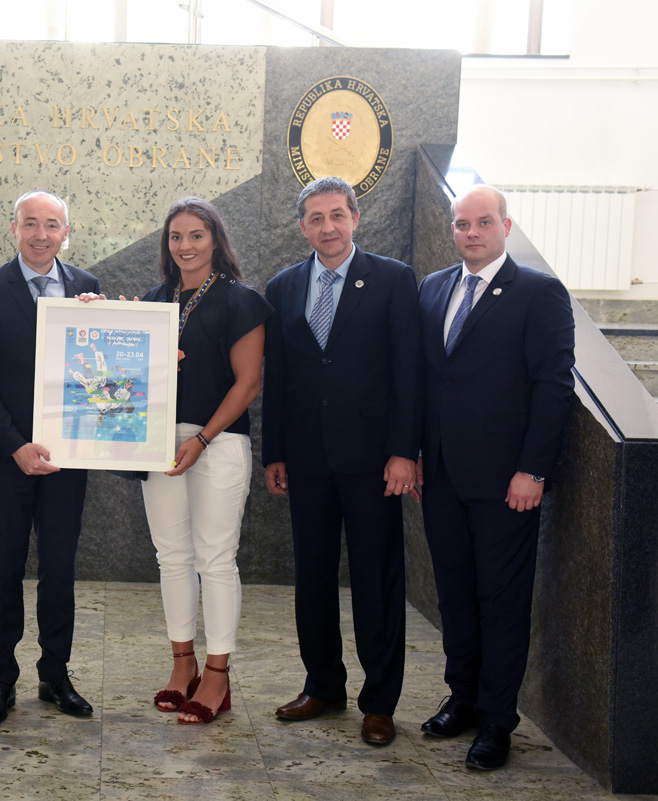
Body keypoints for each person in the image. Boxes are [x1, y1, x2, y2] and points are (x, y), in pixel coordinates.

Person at [417, 184, 575, 770]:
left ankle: (496, 720)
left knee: (501, 601)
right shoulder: (433, 288)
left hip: (508, 482)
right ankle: (462, 698)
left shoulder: (539, 292)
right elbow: (428, 379)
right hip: (442, 476)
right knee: (455, 595)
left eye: (484, 222)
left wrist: (533, 469)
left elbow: (553, 386)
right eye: (462, 224)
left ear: (506, 226)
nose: (472, 233)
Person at [262, 176, 422, 745]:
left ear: (356, 217)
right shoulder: (282, 286)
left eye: (337, 215)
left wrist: (404, 451)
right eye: (316, 218)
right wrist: (274, 452)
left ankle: (379, 702)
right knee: (312, 575)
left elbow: (409, 371)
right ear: (302, 227)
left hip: (373, 459)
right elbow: (278, 376)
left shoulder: (393, 279)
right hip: (307, 457)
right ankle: (323, 685)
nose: (327, 227)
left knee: (377, 579)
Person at [0, 190, 100, 725]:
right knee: (5, 567)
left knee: (60, 568)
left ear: (66, 231)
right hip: (8, 457)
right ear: (14, 228)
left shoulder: (87, 286)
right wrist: (15, 445)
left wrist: (103, 320)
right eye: (31, 224)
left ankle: (55, 675)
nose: (41, 235)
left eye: (52, 225)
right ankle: (1, 678)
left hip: (68, 457)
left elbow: (100, 366)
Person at [138, 197, 271, 725]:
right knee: (171, 557)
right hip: (157, 442)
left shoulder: (241, 300)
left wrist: (202, 439)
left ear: (215, 239)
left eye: (196, 235)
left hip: (218, 443)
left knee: (215, 560)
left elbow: (248, 383)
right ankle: (182, 665)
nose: (185, 245)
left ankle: (217, 675)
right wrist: (91, 312)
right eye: (176, 236)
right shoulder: (154, 300)